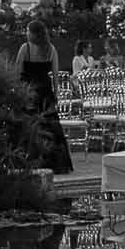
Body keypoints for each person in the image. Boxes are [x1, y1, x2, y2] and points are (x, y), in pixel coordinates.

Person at [14, 20, 73, 174]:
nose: (26, 33)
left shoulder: (25, 48)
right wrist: (56, 94)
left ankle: (27, 159)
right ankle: (54, 162)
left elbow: (17, 71)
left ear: (33, 33)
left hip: (29, 91)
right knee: (50, 128)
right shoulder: (51, 49)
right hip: (46, 92)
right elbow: (55, 75)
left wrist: (16, 91)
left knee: (29, 125)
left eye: (28, 31)